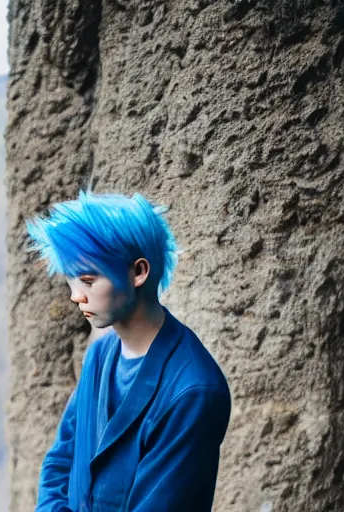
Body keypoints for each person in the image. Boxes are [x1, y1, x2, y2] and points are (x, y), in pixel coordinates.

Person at [26, 190, 231, 512]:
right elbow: (60, 462)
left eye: (88, 281)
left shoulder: (194, 390)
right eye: (70, 281)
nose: (75, 296)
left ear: (139, 272)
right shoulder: (100, 354)